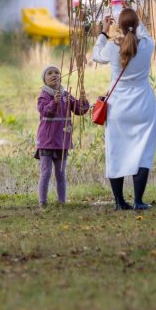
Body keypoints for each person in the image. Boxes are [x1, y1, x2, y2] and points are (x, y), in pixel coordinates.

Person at [92, 8, 156, 210]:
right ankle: (138, 201)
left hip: (119, 107)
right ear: (137, 25)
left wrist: (104, 31)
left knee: (117, 151)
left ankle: (120, 202)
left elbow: (96, 55)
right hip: (143, 105)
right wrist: (135, 19)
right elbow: (143, 32)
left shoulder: (113, 48)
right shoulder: (147, 45)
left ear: (118, 26)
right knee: (143, 152)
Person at [35, 65, 90, 206]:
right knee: (46, 173)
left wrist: (83, 102)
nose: (54, 75)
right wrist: (54, 102)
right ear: (44, 79)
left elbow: (79, 110)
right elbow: (45, 111)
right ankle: (43, 203)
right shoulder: (43, 95)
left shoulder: (66, 95)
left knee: (61, 174)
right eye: (50, 73)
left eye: (57, 72)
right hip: (46, 141)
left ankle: (62, 203)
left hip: (62, 141)